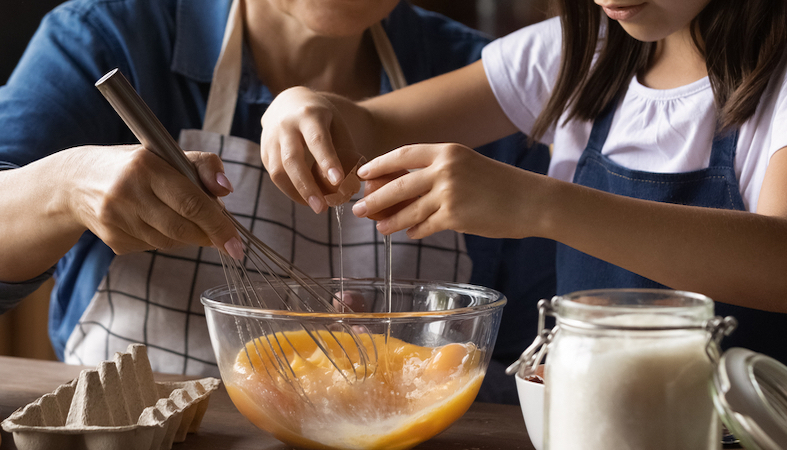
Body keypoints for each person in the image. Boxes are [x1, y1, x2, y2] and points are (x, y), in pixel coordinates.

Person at [0, 0, 554, 402]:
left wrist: (399, 362)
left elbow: (528, 355)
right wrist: (64, 186)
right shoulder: (110, 36)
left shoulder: (495, 89)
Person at [260, 0, 787, 363]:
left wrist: (538, 204)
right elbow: (373, 126)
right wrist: (308, 106)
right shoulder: (577, 54)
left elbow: (777, 262)